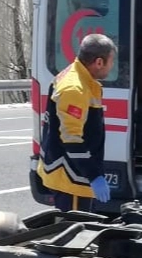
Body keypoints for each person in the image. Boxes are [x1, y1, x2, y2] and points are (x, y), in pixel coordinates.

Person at [37, 33, 116, 211]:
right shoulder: (75, 89)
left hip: (71, 172)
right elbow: (72, 140)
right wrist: (94, 176)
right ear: (99, 62)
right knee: (75, 226)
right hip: (70, 176)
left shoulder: (78, 76)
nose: (112, 66)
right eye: (111, 61)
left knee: (75, 224)